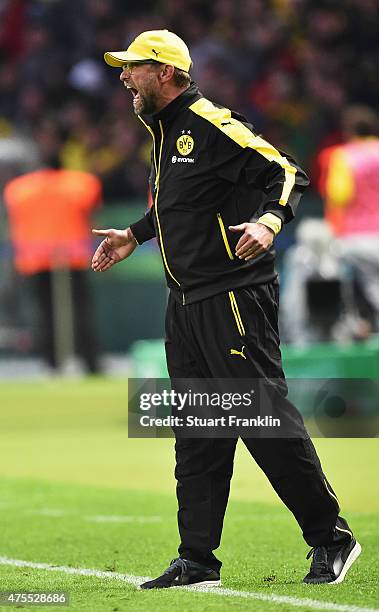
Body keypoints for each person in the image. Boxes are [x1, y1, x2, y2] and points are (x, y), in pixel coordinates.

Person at [92, 30, 360, 588]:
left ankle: (332, 537)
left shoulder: (208, 121)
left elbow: (285, 171)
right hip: (187, 304)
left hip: (233, 296)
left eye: (133, 67)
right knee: (197, 433)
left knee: (261, 421)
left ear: (165, 72)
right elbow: (186, 205)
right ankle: (197, 559)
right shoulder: (166, 133)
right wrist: (136, 235)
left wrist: (268, 221)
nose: (123, 77)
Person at [318, 105, 379, 333]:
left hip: (355, 239)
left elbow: (339, 195)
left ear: (349, 131)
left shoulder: (342, 156)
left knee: (358, 291)